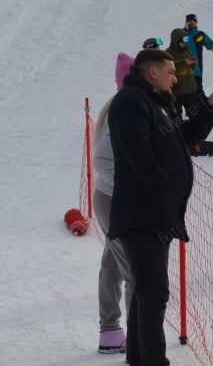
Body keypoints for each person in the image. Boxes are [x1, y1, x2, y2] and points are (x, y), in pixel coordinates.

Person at [108, 47, 213, 366]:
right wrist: (164, 184)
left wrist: (211, 106)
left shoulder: (157, 103)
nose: (175, 78)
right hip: (142, 215)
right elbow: (137, 152)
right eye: (171, 72)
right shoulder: (130, 102)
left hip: (157, 214)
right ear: (152, 72)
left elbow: (185, 137)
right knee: (154, 295)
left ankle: (138, 357)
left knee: (145, 291)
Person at [90, 51, 135, 354]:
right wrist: (132, 189)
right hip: (114, 201)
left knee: (112, 264)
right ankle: (137, 337)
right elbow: (103, 162)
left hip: (108, 199)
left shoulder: (118, 105)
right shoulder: (121, 110)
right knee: (133, 271)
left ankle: (110, 331)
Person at [169, 13, 213, 121]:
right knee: (181, 93)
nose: (191, 22)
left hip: (196, 70)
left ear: (196, 22)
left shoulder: (200, 35)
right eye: (189, 21)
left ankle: (203, 109)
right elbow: (173, 46)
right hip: (181, 72)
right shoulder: (181, 34)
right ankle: (180, 113)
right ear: (186, 22)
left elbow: (211, 44)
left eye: (193, 21)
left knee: (197, 92)